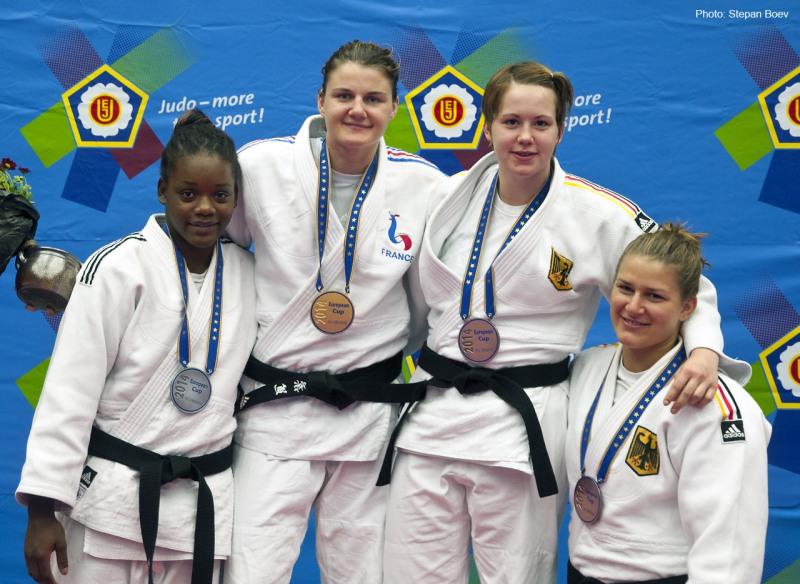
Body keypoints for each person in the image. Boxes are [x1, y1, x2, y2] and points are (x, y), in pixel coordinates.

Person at [381, 62, 745, 584]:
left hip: (521, 424)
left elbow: (686, 281)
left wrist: (704, 350)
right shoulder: (448, 198)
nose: (525, 137)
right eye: (511, 122)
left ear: (561, 129)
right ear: (487, 126)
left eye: (541, 123)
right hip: (431, 413)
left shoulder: (596, 212)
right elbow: (408, 299)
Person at [224, 40, 444, 583]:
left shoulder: (425, 186)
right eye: (344, 95)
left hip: (367, 413)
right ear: (319, 99)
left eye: (374, 98)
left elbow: (429, 301)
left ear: (395, 107)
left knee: (363, 574)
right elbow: (220, 263)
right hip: (276, 411)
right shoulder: (259, 166)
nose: (357, 110)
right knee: (252, 571)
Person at [17, 110, 257, 584]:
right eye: (187, 193)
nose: (204, 208)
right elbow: (69, 390)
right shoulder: (117, 267)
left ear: (237, 198)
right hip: (110, 504)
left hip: (198, 513)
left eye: (220, 195)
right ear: (162, 190)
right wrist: (42, 509)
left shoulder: (251, 276)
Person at [566, 224, 770, 584]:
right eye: (625, 288)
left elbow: (728, 551)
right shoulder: (587, 368)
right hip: (581, 571)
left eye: (654, 296)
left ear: (688, 307)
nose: (633, 306)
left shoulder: (715, 408)